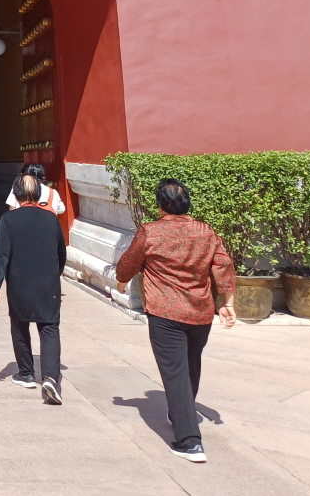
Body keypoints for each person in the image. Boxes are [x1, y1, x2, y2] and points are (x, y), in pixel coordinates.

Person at [115, 178, 236, 465]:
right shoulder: (206, 231)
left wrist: (121, 280)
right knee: (190, 364)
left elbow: (129, 261)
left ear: (160, 205)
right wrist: (228, 303)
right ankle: (181, 412)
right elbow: (223, 265)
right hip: (200, 311)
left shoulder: (151, 231)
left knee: (175, 372)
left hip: (165, 312)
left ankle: (189, 441)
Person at [0, 174, 67, 405]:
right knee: (49, 328)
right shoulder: (51, 218)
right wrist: (56, 273)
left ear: (16, 194)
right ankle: (51, 378)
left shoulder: (8, 219)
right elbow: (61, 252)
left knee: (20, 325)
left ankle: (26, 373)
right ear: (38, 194)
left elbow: (2, 254)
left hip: (19, 282)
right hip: (48, 283)